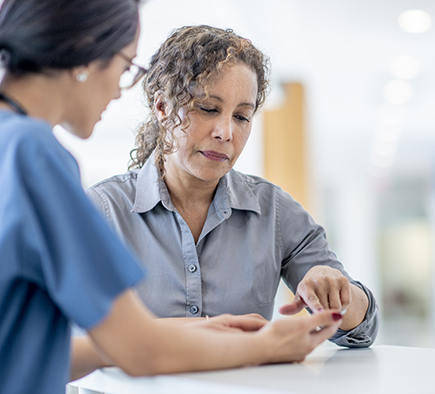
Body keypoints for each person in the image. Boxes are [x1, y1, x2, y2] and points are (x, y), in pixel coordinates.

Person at [0, 2, 344, 394]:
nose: (119, 91)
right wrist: (268, 345)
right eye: (124, 68)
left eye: (242, 116)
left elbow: (18, 350)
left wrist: (198, 332)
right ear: (84, 51)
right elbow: (141, 353)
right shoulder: (34, 155)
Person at [86, 25, 379, 347]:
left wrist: (338, 292)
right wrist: (209, 333)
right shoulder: (102, 210)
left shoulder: (274, 211)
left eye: (242, 117)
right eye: (209, 109)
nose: (226, 132)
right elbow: (78, 338)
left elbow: (360, 331)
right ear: (162, 107)